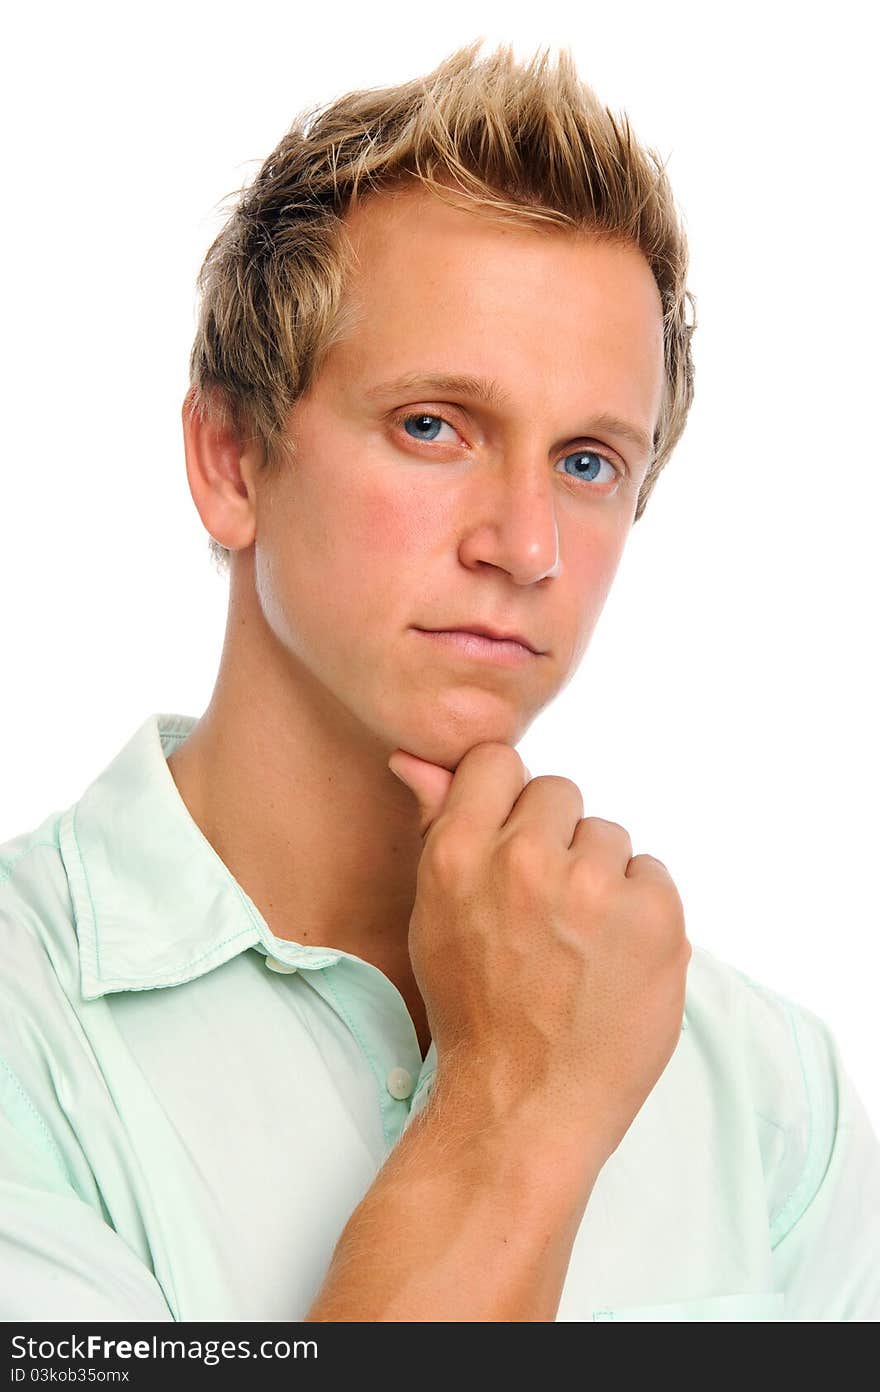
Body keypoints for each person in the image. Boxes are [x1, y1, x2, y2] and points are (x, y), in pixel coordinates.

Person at [1, 39, 877, 1325]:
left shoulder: (771, 1092)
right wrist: (519, 1103)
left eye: (588, 462)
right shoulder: (28, 1031)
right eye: (433, 428)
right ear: (234, 461)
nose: (524, 546)